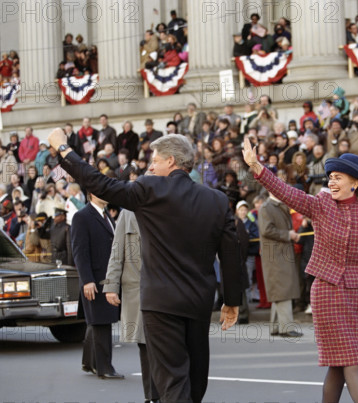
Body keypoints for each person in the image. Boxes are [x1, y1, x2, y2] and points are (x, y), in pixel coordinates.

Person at [48, 129, 244, 402]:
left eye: (155, 160)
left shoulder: (148, 189)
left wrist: (64, 149)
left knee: (173, 383)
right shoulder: (217, 200)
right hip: (199, 302)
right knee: (195, 380)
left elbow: (100, 183)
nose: (149, 166)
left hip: (160, 304)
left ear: (172, 162)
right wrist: (232, 300)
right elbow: (231, 253)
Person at [242, 137, 358, 403]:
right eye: (330, 178)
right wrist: (257, 167)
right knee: (352, 360)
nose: (331, 182)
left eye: (338, 177)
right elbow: (286, 192)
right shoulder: (321, 204)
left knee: (339, 365)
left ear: (355, 182)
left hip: (357, 294)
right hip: (327, 291)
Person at [104, 209, 160, 402]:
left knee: (167, 345)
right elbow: (116, 250)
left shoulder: (168, 203)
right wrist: (111, 285)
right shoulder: (127, 213)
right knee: (145, 344)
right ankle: (152, 397)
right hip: (137, 289)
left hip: (166, 289)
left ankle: (168, 394)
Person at [71, 192, 122, 379]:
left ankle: (89, 362)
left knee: (97, 320)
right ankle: (105, 368)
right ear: (91, 194)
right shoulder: (81, 216)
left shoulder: (106, 215)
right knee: (101, 322)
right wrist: (87, 280)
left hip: (107, 278)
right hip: (95, 279)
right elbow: (79, 251)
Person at [258, 189, 302, 337]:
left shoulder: (278, 205)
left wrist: (289, 235)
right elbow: (266, 230)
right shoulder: (266, 207)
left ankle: (276, 327)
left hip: (279, 253)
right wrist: (287, 235)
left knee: (280, 288)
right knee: (283, 288)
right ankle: (286, 328)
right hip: (275, 254)